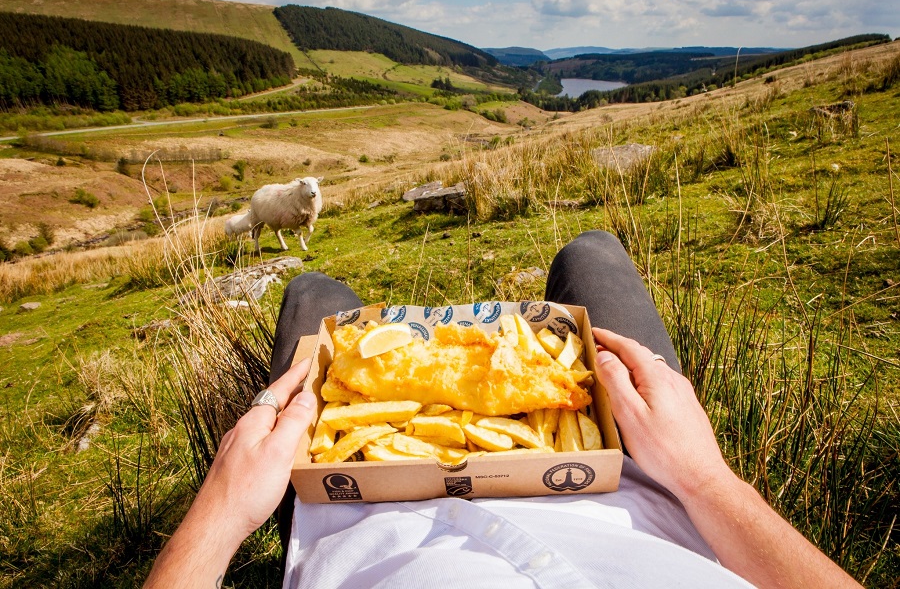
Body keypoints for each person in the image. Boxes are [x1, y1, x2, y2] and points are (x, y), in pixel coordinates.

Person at [145, 231, 860, 588]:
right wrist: (709, 479)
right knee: (593, 250)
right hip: (638, 478)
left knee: (313, 296)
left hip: (358, 499)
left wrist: (221, 510)